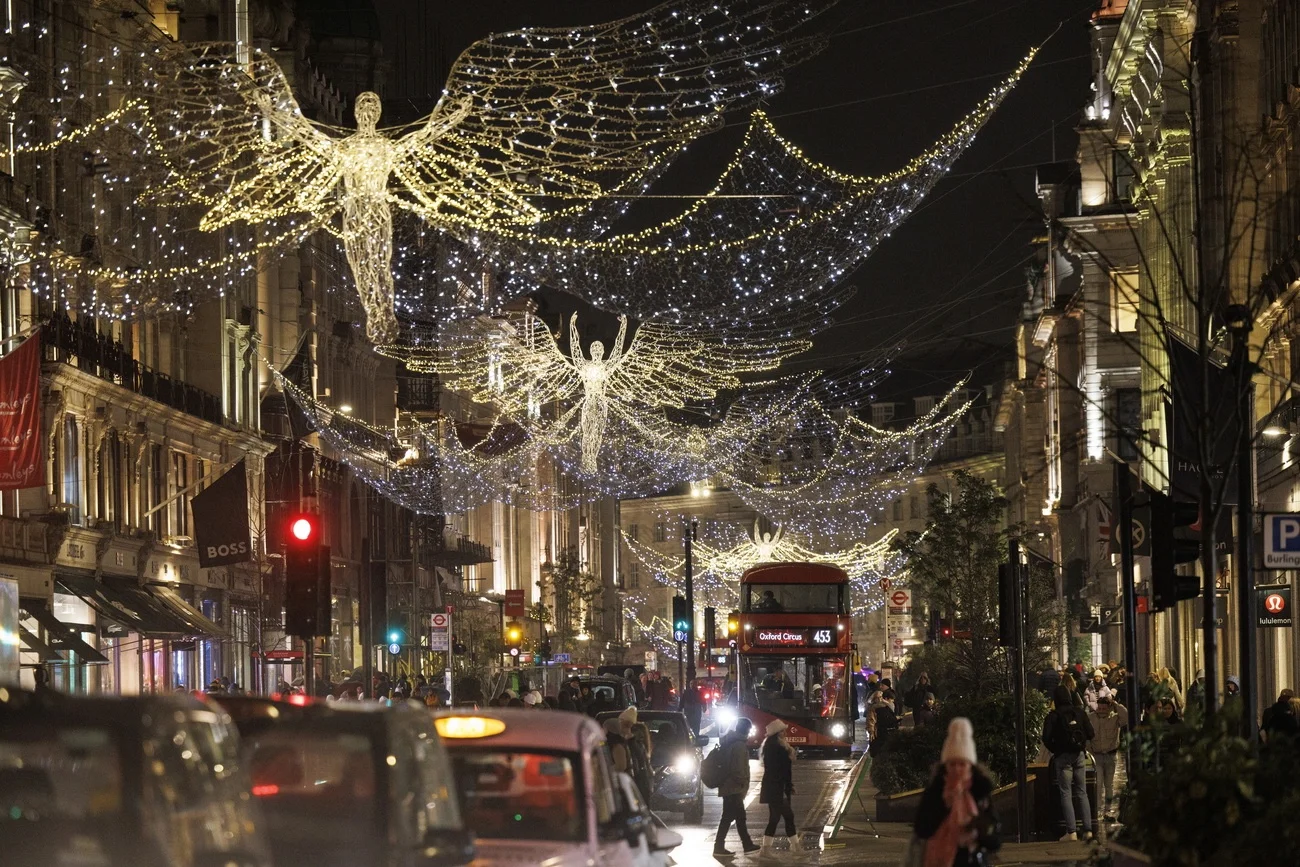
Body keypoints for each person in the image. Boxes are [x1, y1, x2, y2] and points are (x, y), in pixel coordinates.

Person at [913, 718, 1001, 867]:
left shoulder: (979, 792)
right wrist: (944, 806)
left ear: (970, 765)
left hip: (973, 860)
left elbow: (995, 839)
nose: (957, 769)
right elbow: (922, 829)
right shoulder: (936, 791)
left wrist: (978, 832)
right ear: (945, 765)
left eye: (962, 764)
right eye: (952, 764)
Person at [1043, 685, 1094, 842]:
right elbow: (1091, 733)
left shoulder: (1053, 716)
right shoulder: (1079, 712)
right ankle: (1088, 830)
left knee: (1066, 793)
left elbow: (1046, 738)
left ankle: (1071, 832)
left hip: (1062, 757)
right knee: (1082, 792)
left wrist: (1056, 750)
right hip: (1079, 755)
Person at [713, 718, 760, 857]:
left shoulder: (732, 741)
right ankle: (722, 847)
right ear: (746, 730)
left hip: (729, 786)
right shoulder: (739, 745)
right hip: (733, 788)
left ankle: (744, 844)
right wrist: (742, 783)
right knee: (733, 817)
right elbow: (737, 769)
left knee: (735, 817)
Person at [759, 719, 799, 853]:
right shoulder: (778, 748)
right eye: (782, 731)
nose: (785, 733)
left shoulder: (773, 746)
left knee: (776, 818)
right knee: (788, 816)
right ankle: (795, 846)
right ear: (777, 733)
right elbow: (783, 770)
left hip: (775, 787)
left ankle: (767, 848)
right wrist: (788, 786)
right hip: (777, 788)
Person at [1087, 695, 1128, 822]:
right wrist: (1090, 751)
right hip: (1097, 755)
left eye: (1104, 708)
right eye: (1099, 708)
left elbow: (1126, 717)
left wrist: (1115, 704)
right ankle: (1098, 810)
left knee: (1109, 784)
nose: (1101, 711)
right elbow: (1087, 736)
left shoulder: (1115, 718)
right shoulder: (1091, 718)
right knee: (1098, 784)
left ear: (1109, 708)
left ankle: (1108, 810)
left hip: (1111, 755)